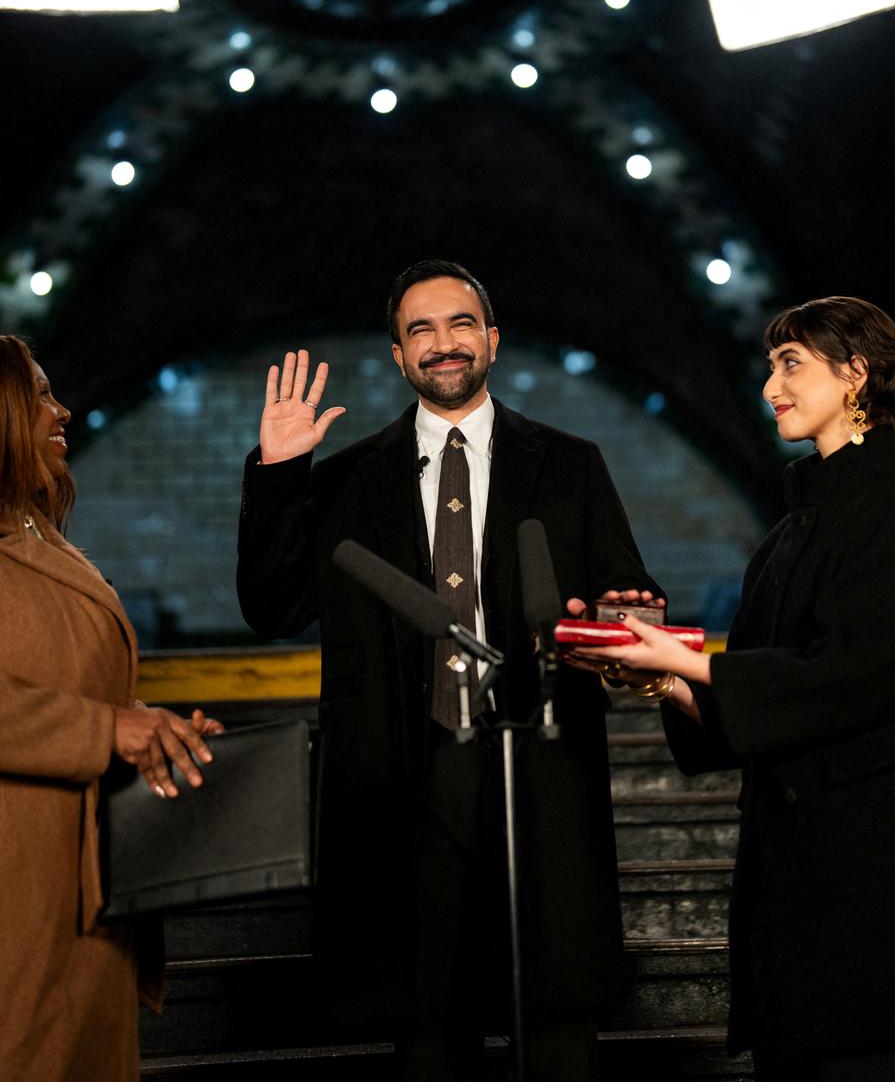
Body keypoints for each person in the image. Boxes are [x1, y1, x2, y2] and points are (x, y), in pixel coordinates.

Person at [237, 258, 665, 1082]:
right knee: (427, 1033)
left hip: (539, 775)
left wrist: (624, 616)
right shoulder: (347, 480)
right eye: (421, 330)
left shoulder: (571, 465)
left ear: (492, 340)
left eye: (461, 323)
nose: (443, 343)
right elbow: (273, 607)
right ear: (399, 356)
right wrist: (281, 471)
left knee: (558, 1030)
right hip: (403, 787)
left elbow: (625, 594)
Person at [572, 296, 895, 1081]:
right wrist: (659, 675)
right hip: (790, 899)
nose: (771, 386)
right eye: (771, 366)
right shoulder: (781, 540)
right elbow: (758, 705)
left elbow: (857, 674)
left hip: (879, 887)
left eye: (791, 364)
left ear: (856, 373)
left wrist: (692, 663)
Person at [0, 335, 222, 1082]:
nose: (61, 410)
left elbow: (67, 679)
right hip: (21, 899)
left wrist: (156, 730)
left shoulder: (42, 540)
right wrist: (109, 728)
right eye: (39, 394)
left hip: (87, 893)